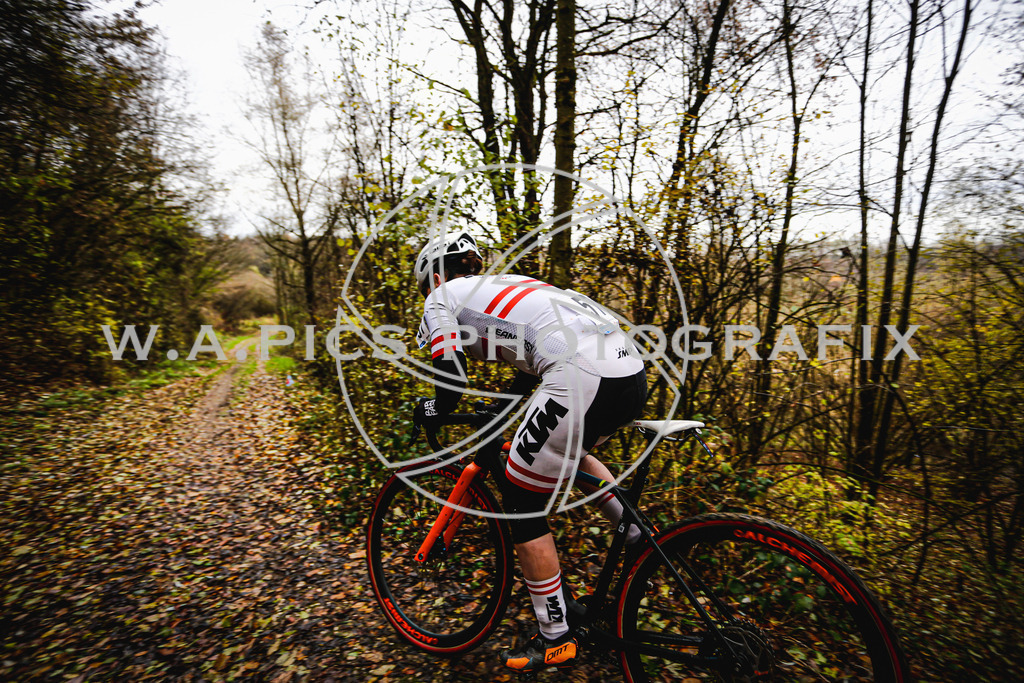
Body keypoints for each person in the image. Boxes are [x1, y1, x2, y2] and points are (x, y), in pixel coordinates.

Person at [411, 231, 648, 674]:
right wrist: (496, 410)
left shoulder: (441, 298)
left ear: (434, 275)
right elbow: (528, 369)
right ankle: (638, 537)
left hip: (583, 375)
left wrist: (431, 408)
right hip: (628, 371)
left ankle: (555, 637)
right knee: (569, 451)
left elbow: (451, 381)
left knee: (522, 504)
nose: (427, 296)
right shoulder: (509, 287)